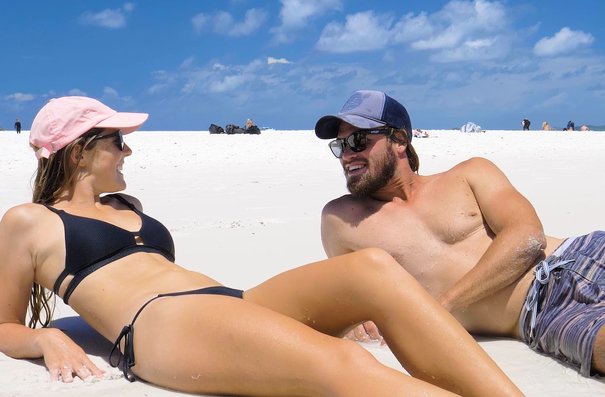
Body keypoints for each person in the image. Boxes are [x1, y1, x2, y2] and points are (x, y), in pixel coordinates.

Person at [0, 96, 523, 397]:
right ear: (77, 153)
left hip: (227, 302)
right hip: (159, 326)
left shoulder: (125, 206)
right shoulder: (30, 221)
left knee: (374, 268)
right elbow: (3, 325)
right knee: (344, 364)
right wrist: (43, 340)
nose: (127, 149)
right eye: (116, 140)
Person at [314, 90, 605, 396]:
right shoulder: (342, 221)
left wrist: (441, 308)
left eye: (359, 141)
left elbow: (527, 236)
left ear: (399, 140)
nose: (346, 155)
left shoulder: (468, 173)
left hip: (586, 253)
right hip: (540, 314)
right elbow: (351, 298)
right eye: (340, 146)